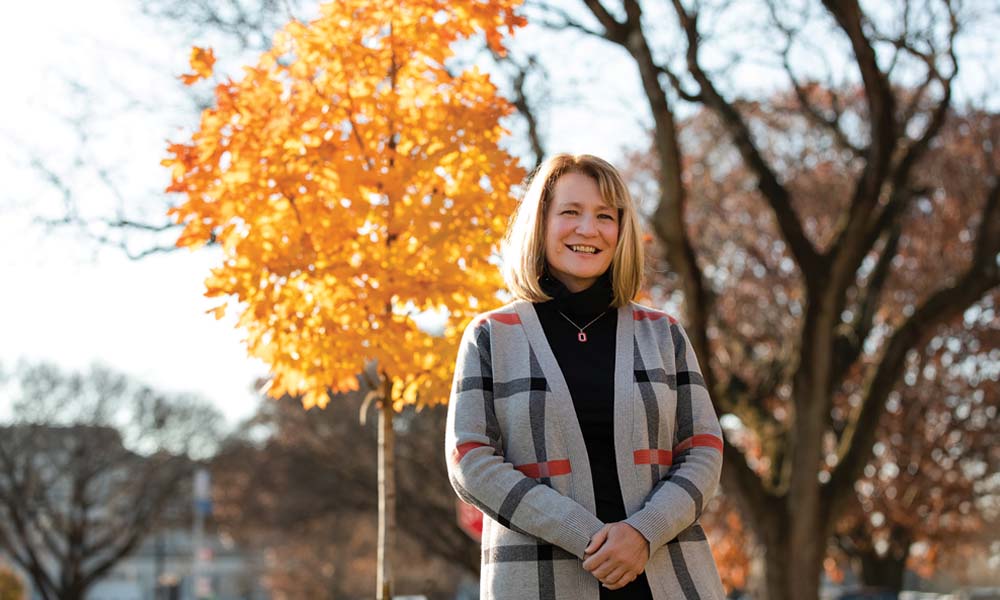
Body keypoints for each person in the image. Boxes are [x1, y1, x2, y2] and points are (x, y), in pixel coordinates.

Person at [445, 153, 726, 599]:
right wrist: (587, 537)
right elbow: (470, 460)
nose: (588, 229)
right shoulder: (491, 337)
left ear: (621, 229)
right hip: (540, 584)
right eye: (570, 212)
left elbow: (704, 449)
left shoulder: (664, 334)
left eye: (604, 216)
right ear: (541, 223)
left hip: (668, 580)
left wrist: (642, 534)